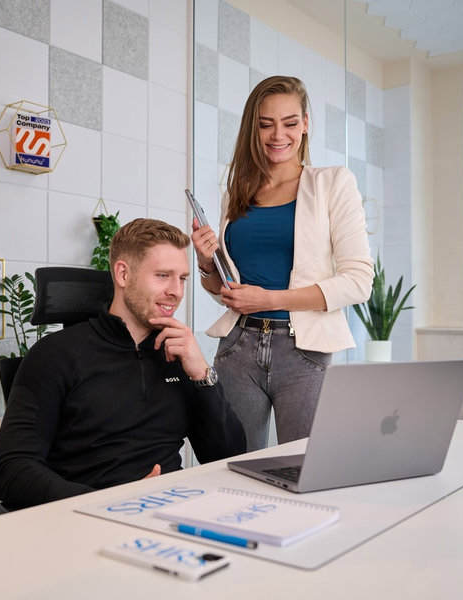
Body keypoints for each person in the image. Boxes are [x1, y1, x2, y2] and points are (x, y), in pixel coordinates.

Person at [0, 218, 247, 510]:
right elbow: (10, 471)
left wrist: (202, 374)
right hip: (86, 520)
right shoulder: (55, 355)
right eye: (163, 275)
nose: (176, 291)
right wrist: (110, 502)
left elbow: (228, 456)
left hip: (169, 513)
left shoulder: (180, 355)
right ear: (123, 274)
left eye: (182, 278)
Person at [191, 75, 373, 452]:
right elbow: (229, 292)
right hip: (237, 345)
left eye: (290, 123)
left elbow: (359, 281)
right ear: (252, 128)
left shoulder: (333, 183)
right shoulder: (237, 193)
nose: (278, 135)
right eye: (265, 124)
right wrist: (208, 263)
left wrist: (270, 300)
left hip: (303, 352)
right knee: (233, 466)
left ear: (305, 124)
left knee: (305, 467)